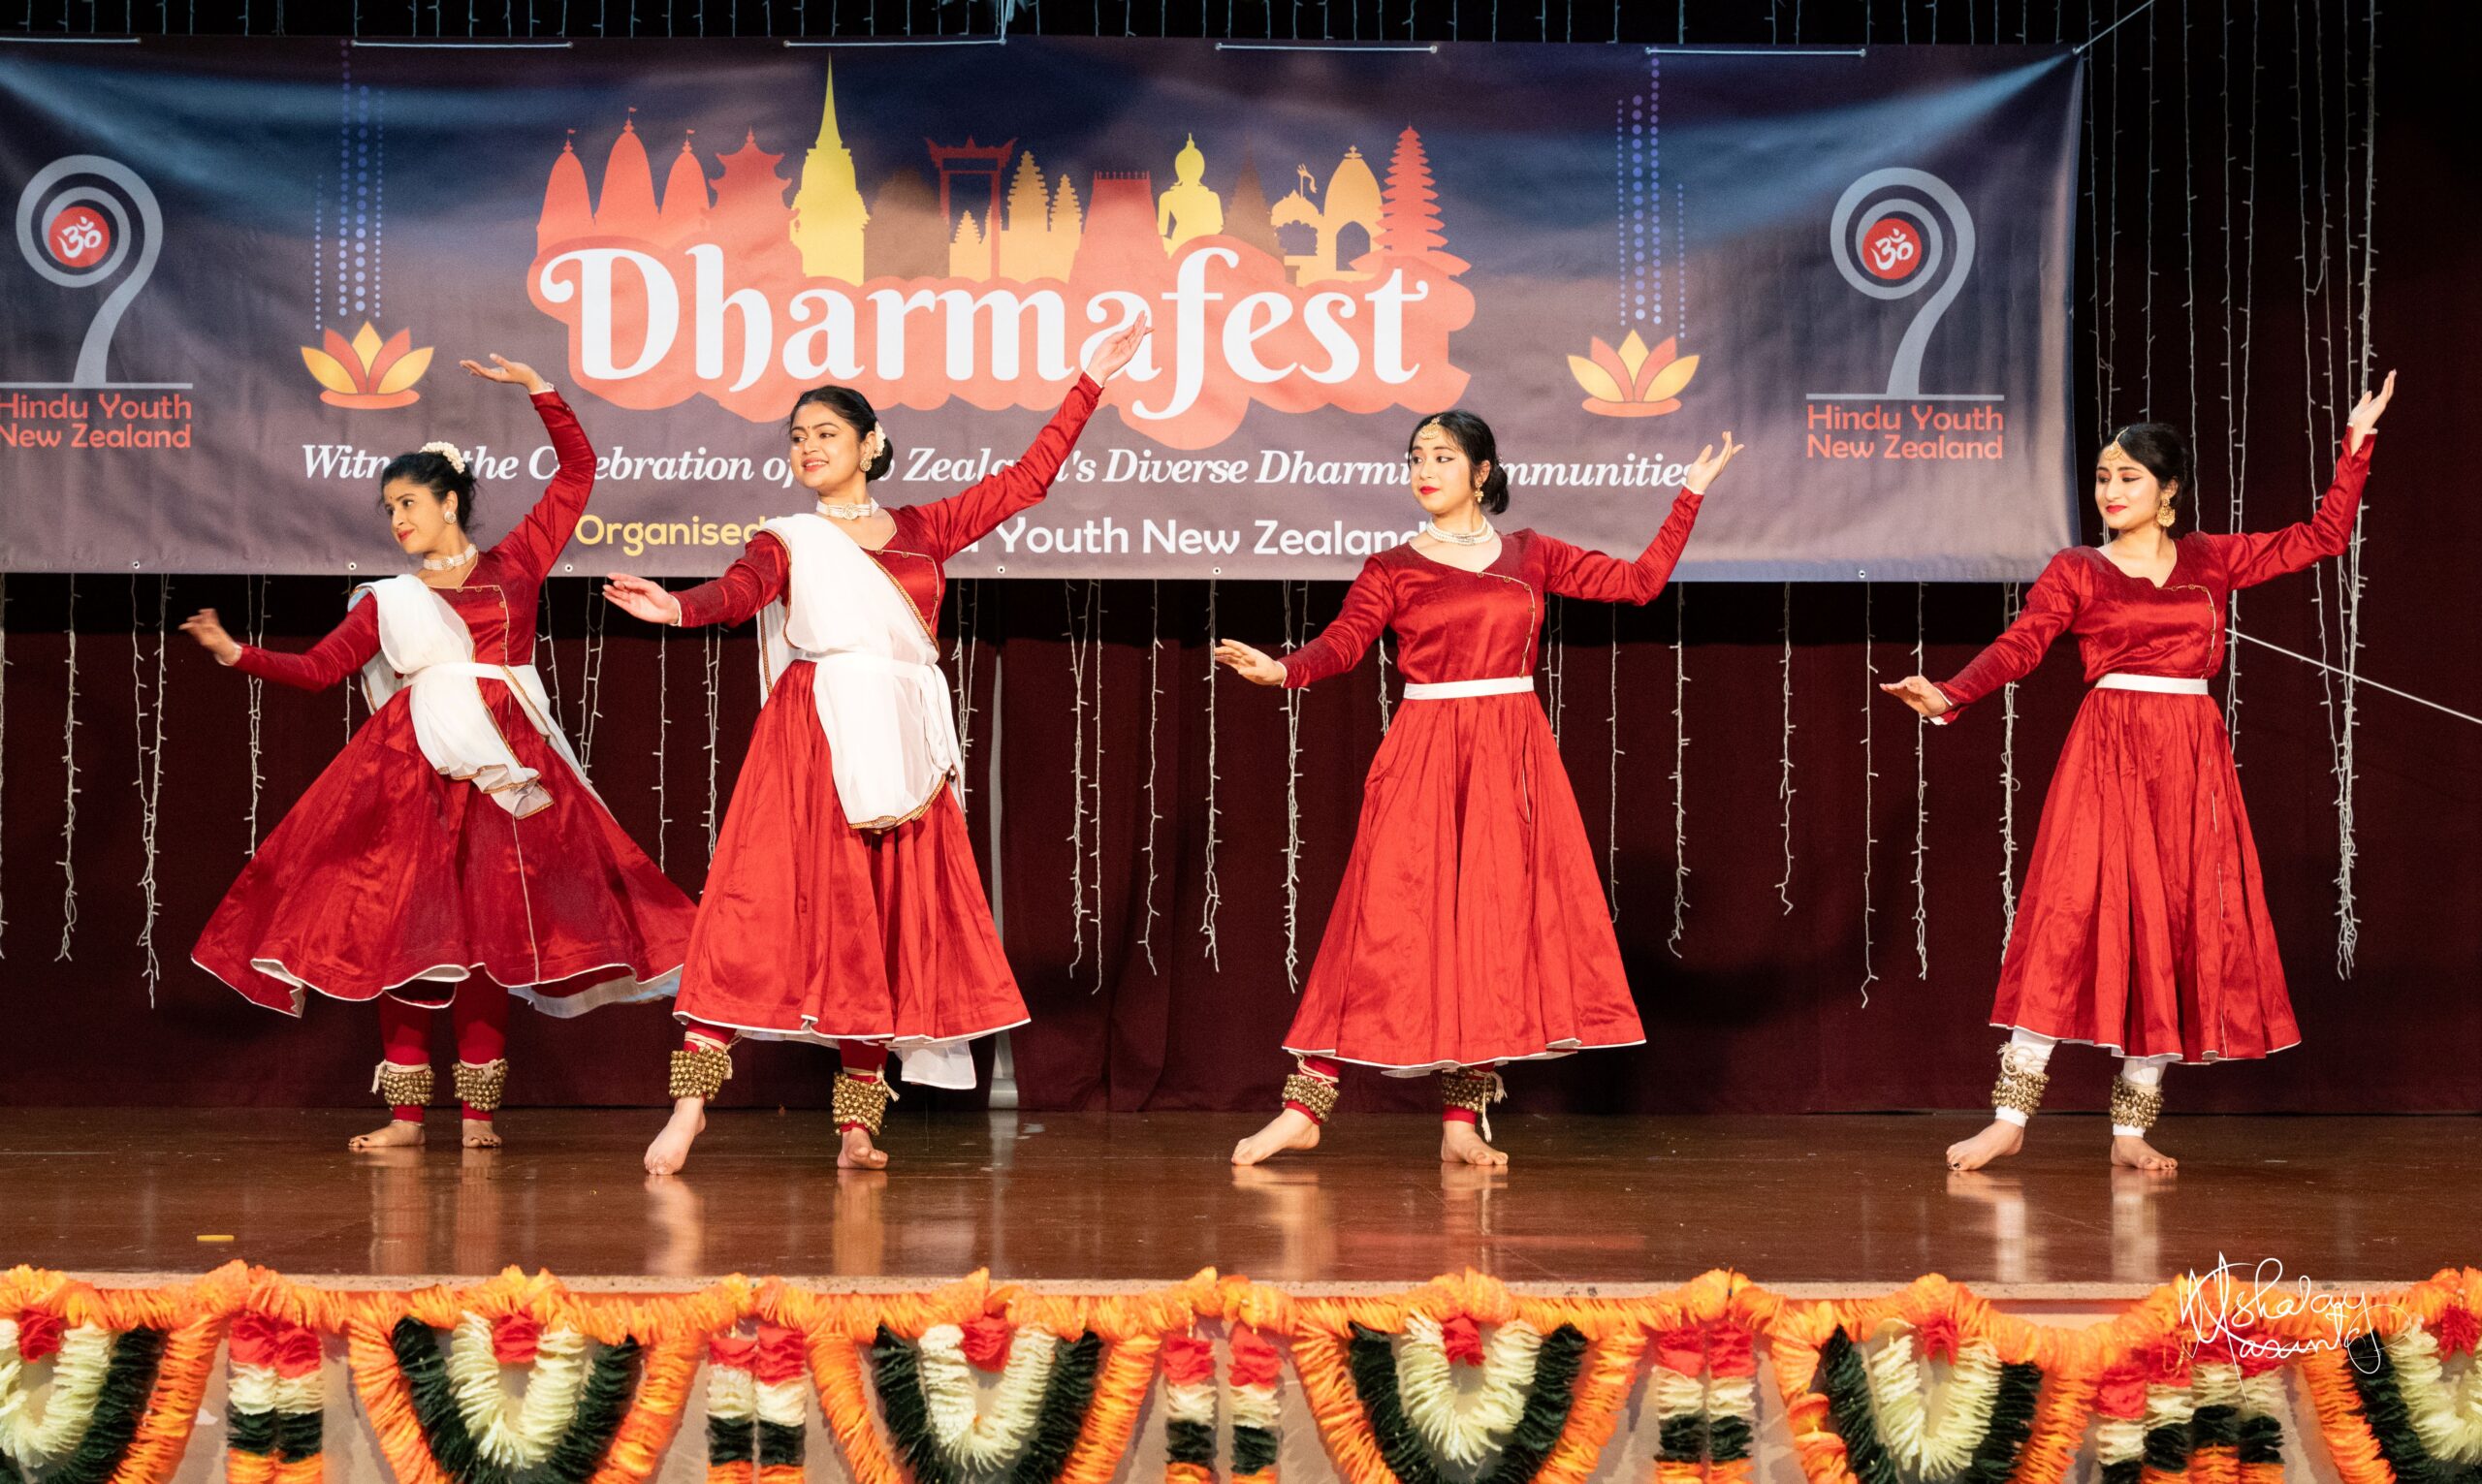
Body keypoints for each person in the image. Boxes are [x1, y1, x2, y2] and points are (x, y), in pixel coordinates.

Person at [607, 318, 1152, 1176]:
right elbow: (740, 591)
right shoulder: (787, 536)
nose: (808, 447)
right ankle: (689, 1107)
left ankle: (858, 1123)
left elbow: (1025, 481)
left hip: (904, 739)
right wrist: (678, 608)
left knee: (881, 918)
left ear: (870, 444)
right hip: (814, 735)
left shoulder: (922, 528)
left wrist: (1089, 381)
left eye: (826, 433)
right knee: (756, 904)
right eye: (797, 437)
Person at [1881, 372, 2397, 1172]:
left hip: (2190, 754)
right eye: (2101, 476)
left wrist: (2355, 446)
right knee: (2070, 911)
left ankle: (2131, 1128)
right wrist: (1950, 692)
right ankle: (2011, 1116)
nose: (2110, 489)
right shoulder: (2077, 570)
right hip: (2109, 749)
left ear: (2168, 492)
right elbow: (2022, 645)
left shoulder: (2211, 559)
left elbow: (2321, 538)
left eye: (2128, 477)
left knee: (2178, 916)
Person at [185, 355, 695, 1150]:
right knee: (410, 934)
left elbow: (580, 470)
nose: (398, 520)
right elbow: (321, 669)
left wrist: (539, 390)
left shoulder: (515, 565)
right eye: (389, 508)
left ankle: (481, 1116)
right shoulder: (390, 600)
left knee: (489, 935)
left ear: (450, 501)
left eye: (410, 502)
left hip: (505, 764)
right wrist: (235, 653)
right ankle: (406, 1116)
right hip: (411, 767)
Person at [1217, 410, 1744, 1166]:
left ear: (1483, 471)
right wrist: (1285, 669)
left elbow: (1639, 583)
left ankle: (1461, 1121)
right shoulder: (1391, 567)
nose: (1424, 468)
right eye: (1415, 456)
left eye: (1442, 455)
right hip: (1427, 751)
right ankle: (1307, 1105)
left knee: (1492, 926)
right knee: (1383, 922)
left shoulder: (1530, 555)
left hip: (1510, 752)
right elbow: (1342, 643)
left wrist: (1688, 495)